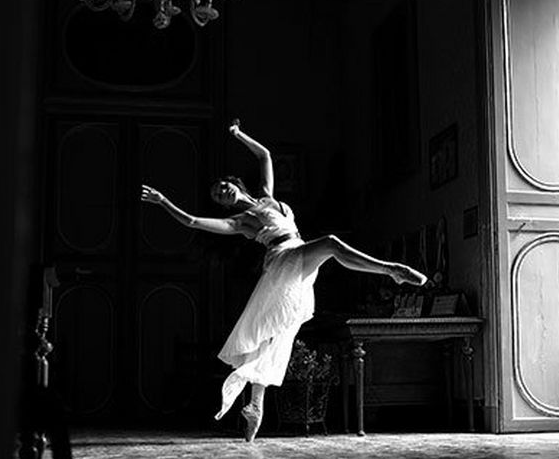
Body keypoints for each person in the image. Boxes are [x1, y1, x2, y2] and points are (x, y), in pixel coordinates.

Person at [141, 120, 427, 442]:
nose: (223, 193)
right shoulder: (240, 222)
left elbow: (264, 155)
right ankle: (391, 269)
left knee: (278, 332)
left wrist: (237, 135)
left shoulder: (266, 197)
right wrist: (164, 202)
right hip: (282, 259)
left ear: (234, 183)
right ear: (224, 206)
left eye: (223, 187)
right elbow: (193, 221)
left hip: (297, 256)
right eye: (219, 197)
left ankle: (256, 406)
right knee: (331, 243)